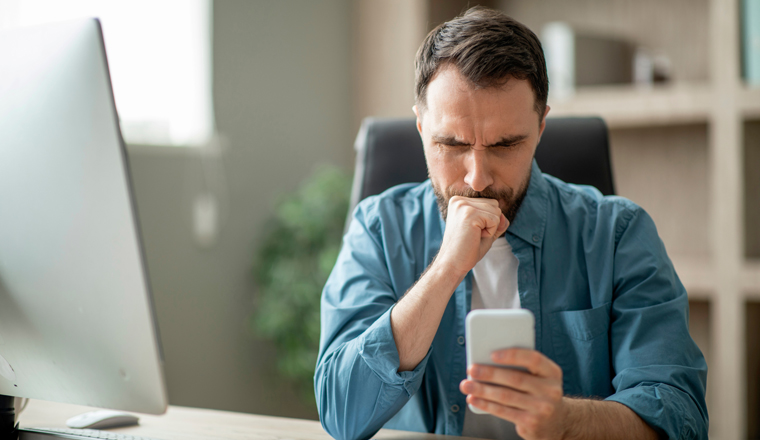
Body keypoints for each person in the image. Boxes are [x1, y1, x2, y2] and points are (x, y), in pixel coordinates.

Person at [315, 7, 707, 440]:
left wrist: (565, 420)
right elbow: (341, 414)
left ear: (540, 128)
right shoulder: (378, 228)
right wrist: (445, 269)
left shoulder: (618, 235)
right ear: (422, 127)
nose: (477, 177)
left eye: (505, 145)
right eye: (451, 144)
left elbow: (680, 416)